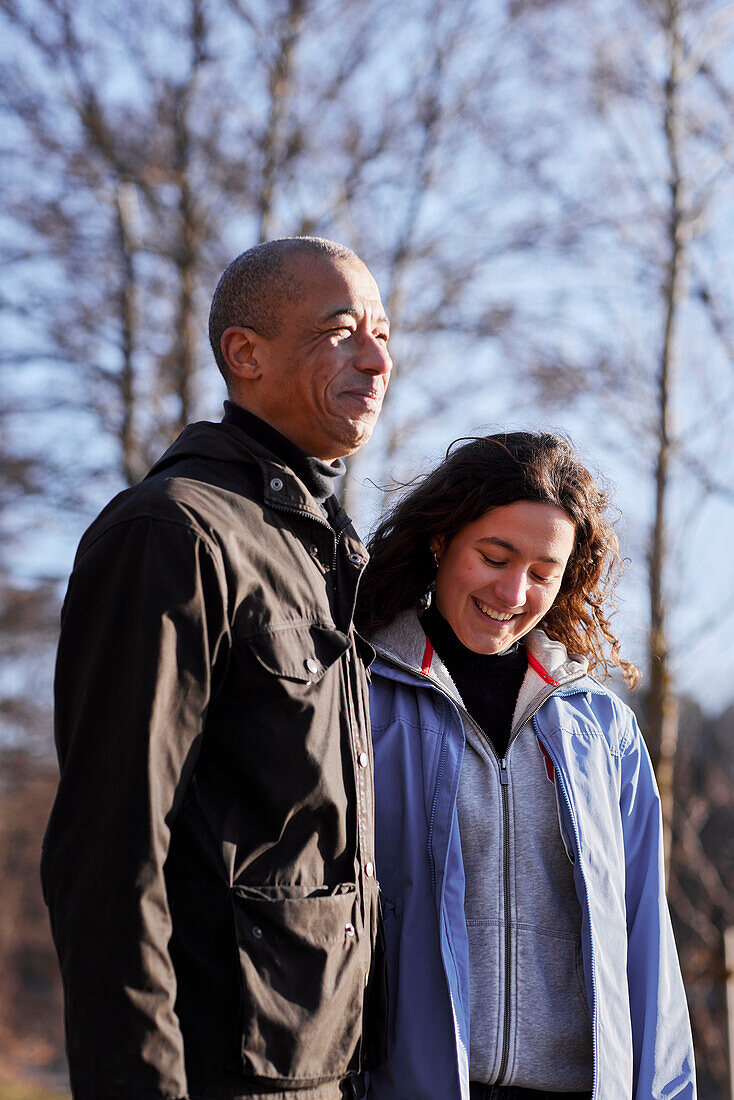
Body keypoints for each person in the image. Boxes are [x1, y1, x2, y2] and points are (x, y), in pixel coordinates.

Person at [41, 236, 393, 1100]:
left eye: (382, 330)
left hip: (332, 1073)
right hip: (216, 1076)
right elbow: (108, 854)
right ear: (246, 352)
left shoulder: (328, 550)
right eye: (341, 331)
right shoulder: (173, 534)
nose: (377, 359)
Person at [357, 432, 695, 1100]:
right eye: (495, 556)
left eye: (543, 572)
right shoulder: (363, 700)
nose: (514, 590)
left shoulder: (605, 732)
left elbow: (646, 940)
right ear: (440, 541)